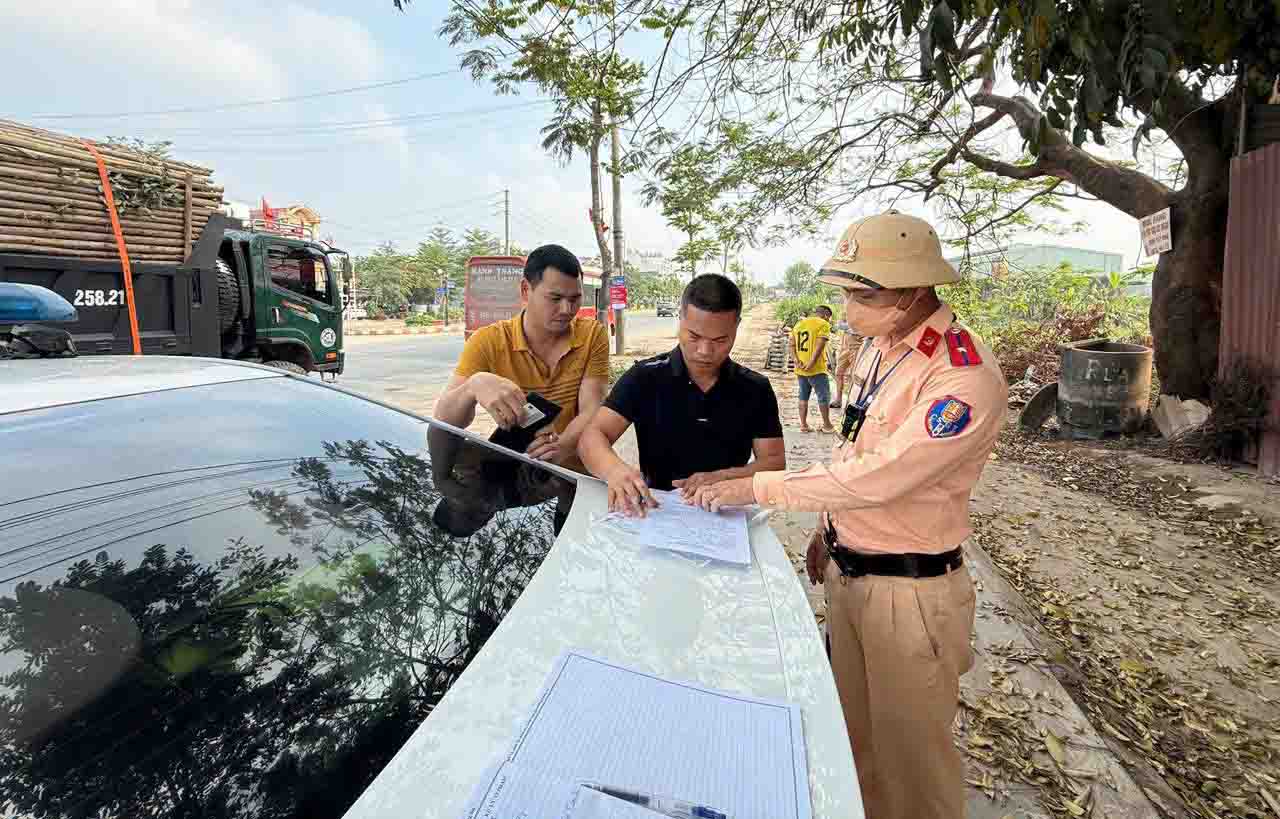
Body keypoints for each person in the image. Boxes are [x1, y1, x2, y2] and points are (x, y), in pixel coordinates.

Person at [687, 210, 1008, 819]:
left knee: (914, 768)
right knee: (852, 747)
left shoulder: (961, 376)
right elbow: (850, 448)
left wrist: (758, 489)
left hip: (909, 594)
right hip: (849, 576)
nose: (851, 306)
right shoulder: (879, 349)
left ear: (913, 292)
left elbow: (882, 474)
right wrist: (824, 530)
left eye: (865, 294)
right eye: (846, 292)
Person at [431, 244, 609, 535]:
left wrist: (562, 447)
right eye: (555, 298)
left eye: (575, 299)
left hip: (578, 483)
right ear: (526, 291)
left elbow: (592, 408)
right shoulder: (488, 342)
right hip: (529, 476)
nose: (567, 310)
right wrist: (474, 386)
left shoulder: (592, 335)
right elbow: (444, 423)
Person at [577, 274, 786, 517]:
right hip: (657, 512)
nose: (705, 351)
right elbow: (592, 436)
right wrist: (613, 470)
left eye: (720, 340)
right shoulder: (645, 377)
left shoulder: (755, 389)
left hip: (727, 515)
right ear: (680, 319)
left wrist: (723, 478)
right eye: (694, 336)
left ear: (737, 326)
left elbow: (774, 463)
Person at [791, 304, 835, 433]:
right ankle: (827, 426)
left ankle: (804, 425)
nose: (829, 321)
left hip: (800, 368)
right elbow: (820, 345)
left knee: (803, 396)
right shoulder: (823, 324)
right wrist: (811, 363)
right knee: (824, 396)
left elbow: (791, 345)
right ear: (826, 315)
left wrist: (796, 361)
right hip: (816, 369)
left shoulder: (799, 324)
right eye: (829, 318)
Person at [831, 318, 862, 409]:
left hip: (857, 346)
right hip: (844, 346)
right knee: (838, 373)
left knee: (854, 375)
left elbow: (862, 327)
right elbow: (839, 324)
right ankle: (838, 400)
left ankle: (851, 402)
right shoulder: (847, 308)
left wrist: (847, 327)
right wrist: (850, 327)